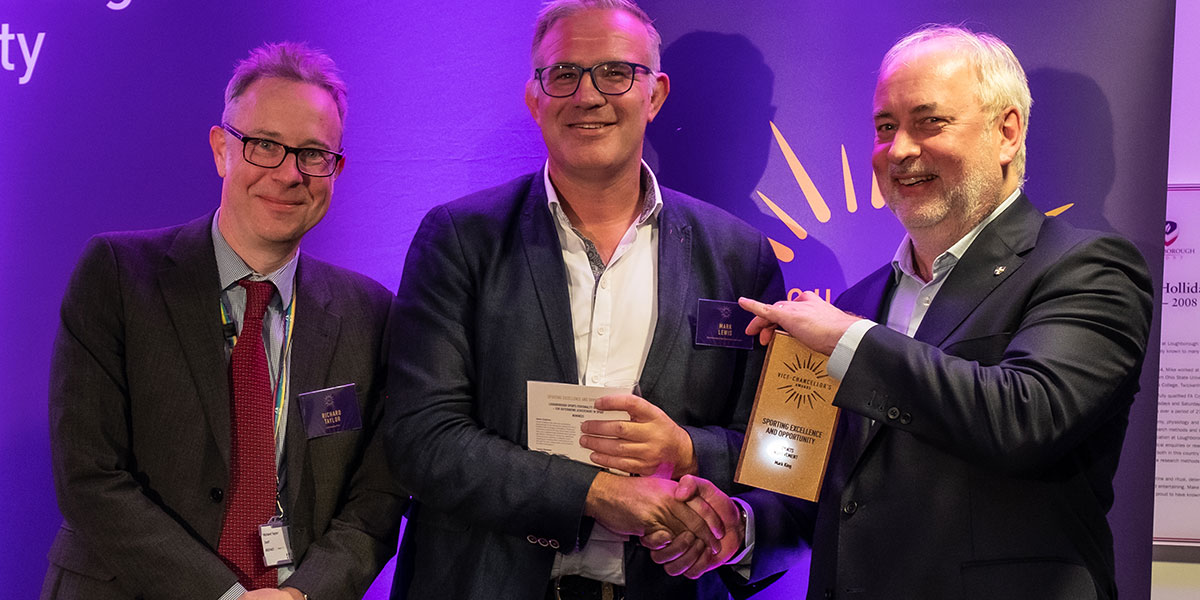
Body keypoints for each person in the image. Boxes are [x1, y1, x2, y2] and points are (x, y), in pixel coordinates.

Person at [383, 1, 786, 598]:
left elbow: (781, 450)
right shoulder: (460, 239)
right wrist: (598, 495)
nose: (588, 95)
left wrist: (690, 451)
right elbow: (422, 437)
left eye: (615, 72)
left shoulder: (739, 257)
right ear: (534, 97)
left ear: (655, 94)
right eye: (563, 73)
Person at [734, 24, 1153, 599]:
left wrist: (849, 341)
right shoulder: (860, 303)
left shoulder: (1088, 268)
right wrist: (737, 527)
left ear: (1007, 132)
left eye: (929, 122)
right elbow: (820, 490)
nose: (900, 150)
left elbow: (1026, 417)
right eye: (885, 127)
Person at [43, 42, 406, 600]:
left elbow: (376, 499)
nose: (289, 174)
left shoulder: (372, 314)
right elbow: (89, 476)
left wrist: (305, 594)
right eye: (265, 146)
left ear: (337, 170)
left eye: (313, 154)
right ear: (221, 150)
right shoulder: (117, 276)